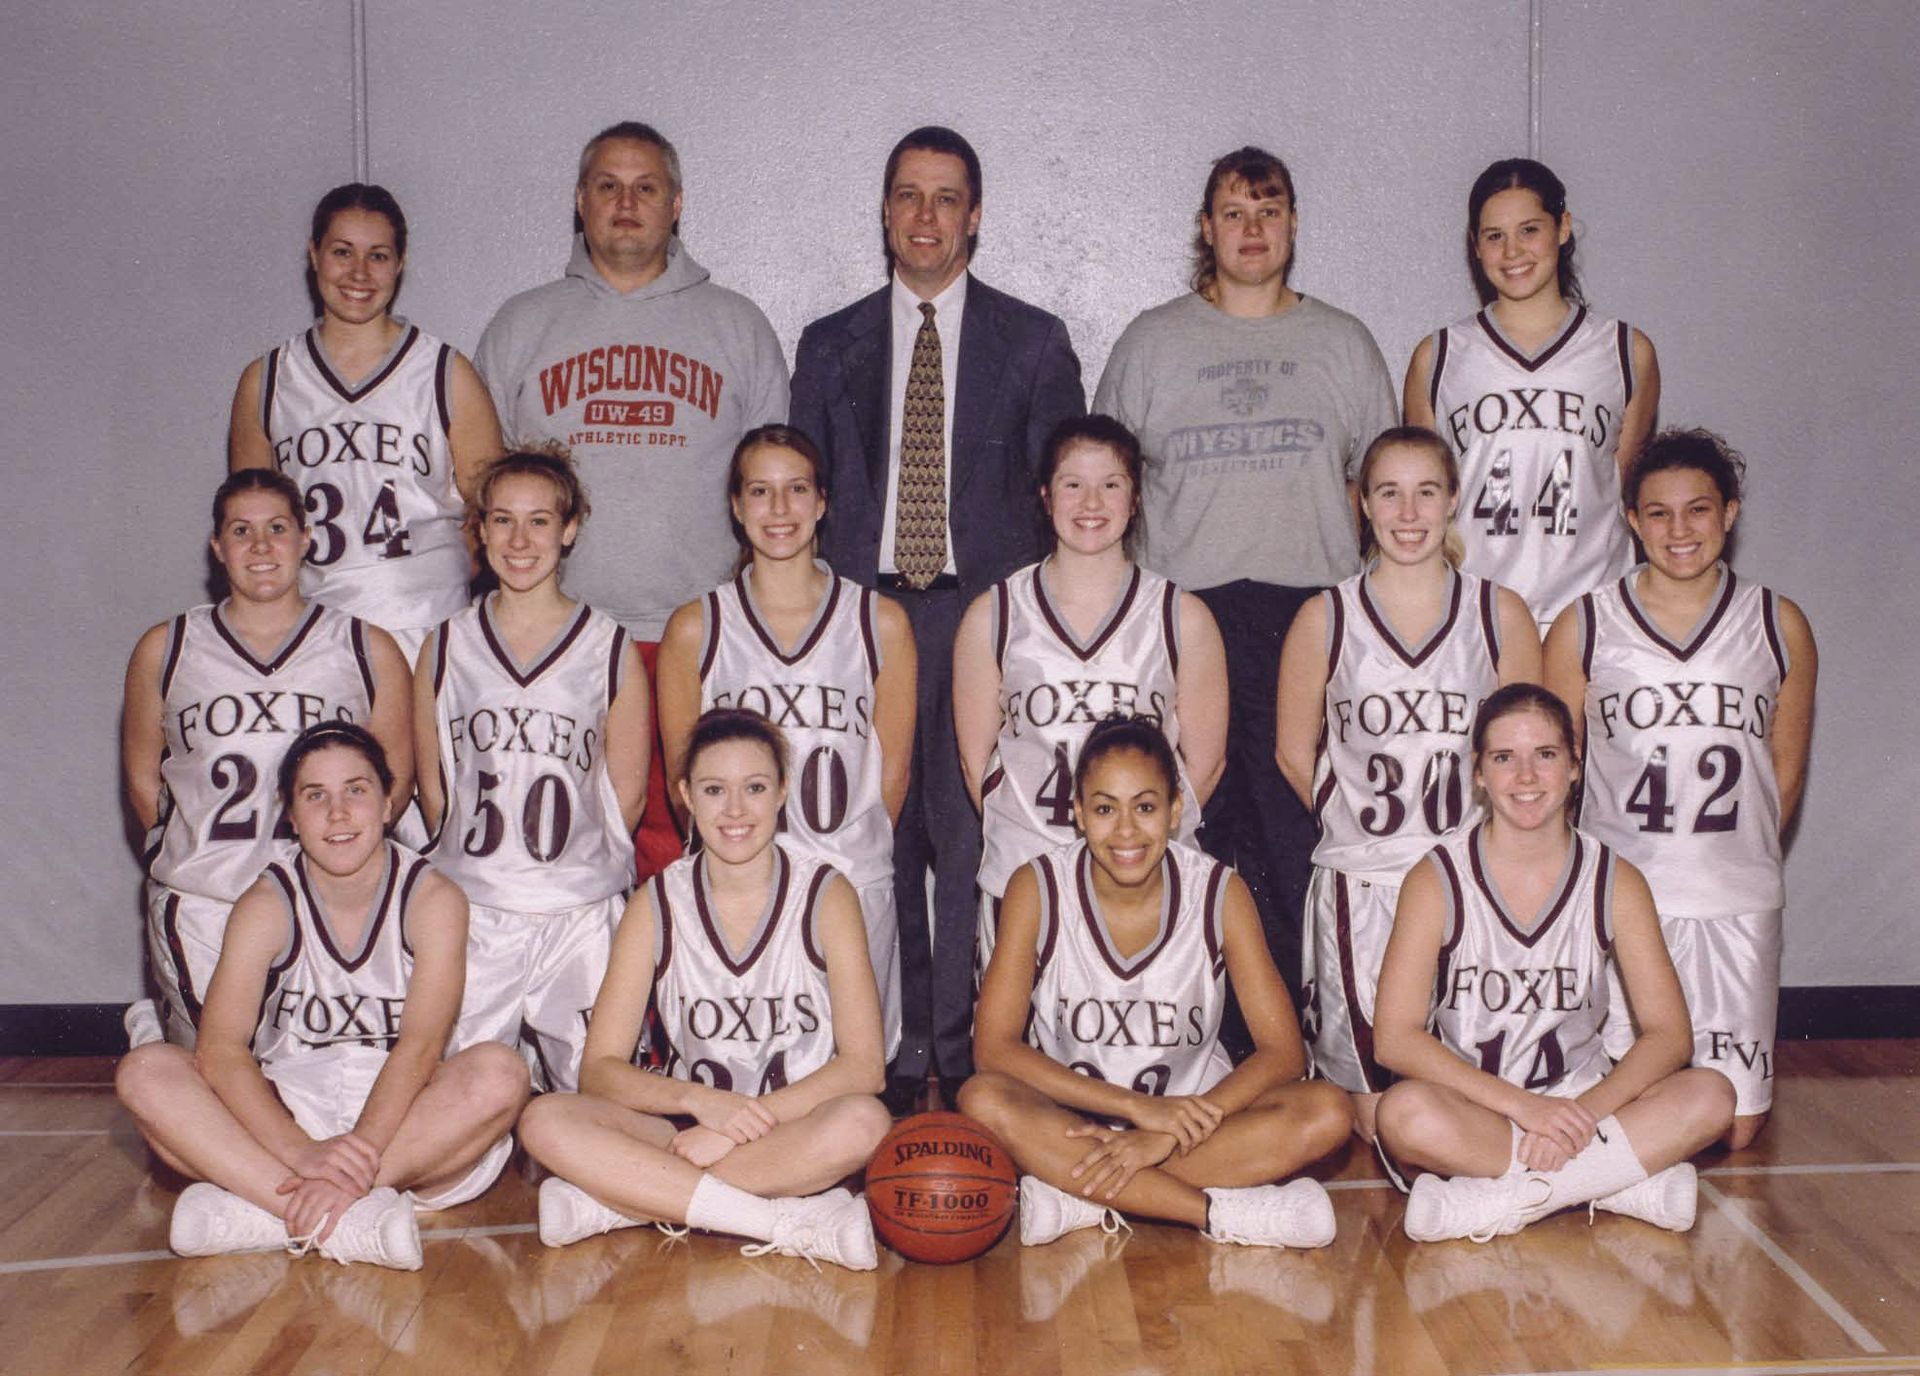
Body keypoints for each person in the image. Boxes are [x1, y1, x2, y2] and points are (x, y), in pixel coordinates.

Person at [790, 125, 1085, 1102]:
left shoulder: (1033, 339)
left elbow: (1058, 499)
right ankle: (893, 1050)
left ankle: (960, 1057)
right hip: (865, 619)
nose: (926, 216)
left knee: (965, 834)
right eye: (908, 196)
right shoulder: (830, 344)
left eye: (946, 197)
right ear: (884, 211)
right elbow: (806, 491)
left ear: (976, 215)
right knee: (879, 827)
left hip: (979, 620)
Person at [1094, 146, 1397, 1014]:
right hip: (1191, 619)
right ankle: (1196, 1018)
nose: (1252, 229)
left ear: (1294, 224)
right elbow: (1106, 484)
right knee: (1199, 821)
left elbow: (1379, 488)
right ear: (1205, 228)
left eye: (1269, 211)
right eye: (1234, 212)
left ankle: (1311, 1022)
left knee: (1300, 824)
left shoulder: (1341, 342)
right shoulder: (1153, 341)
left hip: (1309, 614)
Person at [475, 121, 789, 887]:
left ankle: (670, 1005)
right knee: (552, 843)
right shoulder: (522, 324)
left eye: (645, 187)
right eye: (608, 187)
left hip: (693, 634)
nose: (626, 203)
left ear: (676, 204)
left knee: (683, 842)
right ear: (580, 202)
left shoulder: (738, 327)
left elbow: (779, 495)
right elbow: (481, 488)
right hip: (554, 636)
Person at [114, 722, 529, 1269]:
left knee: (501, 1072)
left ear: (387, 803)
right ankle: (350, 1218)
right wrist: (300, 1152)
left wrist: (361, 1151)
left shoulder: (432, 899)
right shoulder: (265, 903)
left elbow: (421, 1048)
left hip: (404, 1125)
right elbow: (220, 1050)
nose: (338, 814)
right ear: (290, 814)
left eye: (356, 790)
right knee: (144, 1071)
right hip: (289, 1117)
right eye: (316, 796)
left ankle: (272, 1207)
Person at [518, 708, 890, 1271]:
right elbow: (600, 1069)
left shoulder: (827, 894)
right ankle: (776, 1221)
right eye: (715, 789)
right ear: (687, 795)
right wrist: (699, 1103)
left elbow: (865, 1067)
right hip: (686, 1131)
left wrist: (742, 1126)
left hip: (791, 1127)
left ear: (783, 791)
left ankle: (628, 1201)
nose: (736, 810)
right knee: (543, 1118)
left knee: (864, 1121)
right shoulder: (656, 903)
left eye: (755, 787)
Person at [960, 716, 1352, 1248]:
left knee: (1328, 1111)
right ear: (1076, 813)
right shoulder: (1037, 886)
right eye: (1104, 808)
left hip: (1191, 1132)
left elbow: (1282, 1052)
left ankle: (1079, 1192)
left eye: (1144, 807)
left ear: (1174, 811)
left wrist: (1163, 1137)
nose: (1125, 831)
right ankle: (1213, 1213)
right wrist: (1136, 1110)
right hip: (1074, 1125)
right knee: (982, 1098)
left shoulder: (1219, 892)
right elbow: (994, 1050)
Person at [1371, 685, 1734, 1241]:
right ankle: (1616, 1185)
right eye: (1503, 758)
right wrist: (1525, 1110)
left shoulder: (1615, 879)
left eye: (1545, 755)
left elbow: (1669, 1035)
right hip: (1480, 1109)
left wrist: (1579, 1115)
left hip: (1583, 1107)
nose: (1525, 777)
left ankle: (1514, 1197)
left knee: (1713, 1094)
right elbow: (1394, 1038)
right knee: (1401, 1114)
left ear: (1573, 767)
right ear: (1477, 773)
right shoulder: (1437, 879)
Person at [1544, 429, 1816, 1150]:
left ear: (1729, 513)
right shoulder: (1586, 624)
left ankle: (1609, 1181)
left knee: (1733, 1125)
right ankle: (1617, 1183)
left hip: (1733, 901)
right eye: (1658, 513)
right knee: (1608, 1098)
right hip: (1624, 897)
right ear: (1631, 520)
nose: (1679, 530)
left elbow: (1784, 770)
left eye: (1697, 510)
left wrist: (1733, 859)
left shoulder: (1777, 623)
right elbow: (1550, 772)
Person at [1275, 427, 1539, 1132]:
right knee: (1370, 1119)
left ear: (1454, 499)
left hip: (1470, 886)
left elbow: (1531, 756)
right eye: (1389, 493)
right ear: (1362, 503)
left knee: (1473, 1094)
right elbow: (1293, 753)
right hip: (1361, 884)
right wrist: (1357, 823)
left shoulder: (1498, 612)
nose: (1409, 513)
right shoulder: (1326, 616)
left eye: (1427, 492)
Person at [122, 470, 413, 1048]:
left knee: (315, 1087)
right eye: (241, 530)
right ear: (217, 547)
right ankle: (161, 1040)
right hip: (209, 901)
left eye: (277, 528)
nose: (260, 547)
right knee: (218, 1085)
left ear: (307, 539)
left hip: (322, 902)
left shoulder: (366, 647)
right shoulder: (167, 647)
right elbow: (141, 780)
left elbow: (394, 786)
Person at [656, 425, 916, 1055]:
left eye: (796, 489)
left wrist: (844, 860)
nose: (779, 511)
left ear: (822, 501)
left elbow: (891, 778)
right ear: (737, 506)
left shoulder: (878, 621)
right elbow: (681, 782)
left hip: (851, 881)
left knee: (852, 1083)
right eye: (760, 492)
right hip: (739, 886)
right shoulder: (697, 626)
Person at [953, 415, 1227, 970]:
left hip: (1141, 876)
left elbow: (1205, 765)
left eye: (1111, 483)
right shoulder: (995, 614)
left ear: (1134, 499)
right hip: (1025, 871)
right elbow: (976, 762)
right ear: (1046, 495)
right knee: (1017, 1049)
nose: (1091, 502)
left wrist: (1132, 846)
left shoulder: (1181, 616)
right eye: (1073, 483)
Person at [414, 448, 650, 1091]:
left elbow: (624, 796)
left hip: (577, 910)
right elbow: (434, 788)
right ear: (480, 530)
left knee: (596, 1101)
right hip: (476, 907)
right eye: (502, 520)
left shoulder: (608, 646)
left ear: (569, 528)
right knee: (462, 1103)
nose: (520, 541)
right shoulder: (445, 644)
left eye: (540, 521)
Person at [228, 183, 504, 664]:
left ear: (400, 262)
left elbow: (496, 517)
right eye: (342, 252)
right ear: (314, 255)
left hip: (426, 627)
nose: (359, 273)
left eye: (378, 256)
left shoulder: (445, 374)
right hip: (312, 631)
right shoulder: (267, 381)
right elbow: (251, 527)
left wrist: (436, 582)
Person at [1404, 157, 1662, 635]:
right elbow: (1424, 507)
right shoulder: (1438, 357)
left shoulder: (1626, 352)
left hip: (1593, 613)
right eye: (1494, 235)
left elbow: (1626, 492)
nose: (1512, 252)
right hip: (1476, 613)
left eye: (1529, 230)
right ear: (1475, 246)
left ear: (1562, 228)